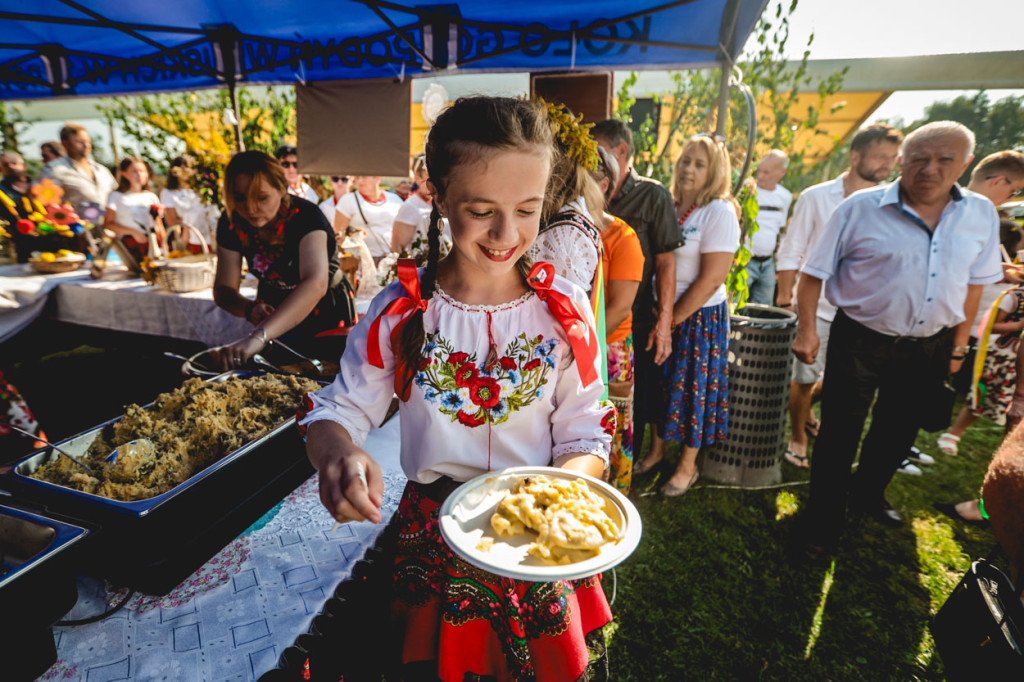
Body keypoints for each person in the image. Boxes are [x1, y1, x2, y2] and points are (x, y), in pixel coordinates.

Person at [300, 96, 614, 681]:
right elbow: (338, 409)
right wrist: (338, 452)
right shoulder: (402, 310)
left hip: (537, 537)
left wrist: (560, 502)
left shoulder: (563, 312)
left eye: (527, 209)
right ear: (438, 196)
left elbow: (585, 430)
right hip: (433, 547)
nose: (507, 233)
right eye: (481, 209)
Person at [791, 121, 1002, 559]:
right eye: (920, 158)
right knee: (838, 433)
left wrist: (959, 346)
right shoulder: (859, 208)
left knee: (898, 430)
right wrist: (808, 329)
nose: (931, 169)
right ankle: (822, 522)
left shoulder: (980, 213)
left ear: (964, 164)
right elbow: (813, 274)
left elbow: (975, 286)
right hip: (861, 338)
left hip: (932, 343)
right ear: (902, 161)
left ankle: (868, 494)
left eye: (945, 159)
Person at [775, 123, 903, 469]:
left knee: (846, 385)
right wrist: (786, 298)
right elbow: (792, 249)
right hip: (817, 306)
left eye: (892, 158)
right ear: (855, 155)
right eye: (880, 157)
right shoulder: (816, 197)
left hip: (866, 314)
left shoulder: (895, 203)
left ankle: (813, 420)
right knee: (803, 378)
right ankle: (797, 436)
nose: (886, 165)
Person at [633, 134, 740, 496]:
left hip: (697, 318)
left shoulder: (719, 211)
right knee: (660, 386)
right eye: (685, 160)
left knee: (693, 390)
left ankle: (687, 466)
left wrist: (672, 319)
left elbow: (712, 278)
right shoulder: (671, 203)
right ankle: (657, 451)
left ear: (714, 171)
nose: (688, 168)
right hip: (662, 312)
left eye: (699, 163)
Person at [213, 151, 355, 368]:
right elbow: (223, 289)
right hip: (273, 307)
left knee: (325, 375)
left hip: (325, 311)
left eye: (261, 198)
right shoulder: (232, 220)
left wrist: (258, 337)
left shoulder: (306, 216)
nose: (250, 208)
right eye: (240, 198)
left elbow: (315, 284)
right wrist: (249, 309)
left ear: (281, 188)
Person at [592, 118, 680, 460]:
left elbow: (666, 262)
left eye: (598, 147)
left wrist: (665, 323)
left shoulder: (652, 195)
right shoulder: (590, 196)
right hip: (602, 315)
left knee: (635, 396)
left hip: (636, 317)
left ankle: (638, 461)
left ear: (621, 150)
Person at [592, 144, 644, 492]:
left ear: (605, 185)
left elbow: (620, 307)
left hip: (607, 349)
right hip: (568, 345)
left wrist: (582, 348)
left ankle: (609, 502)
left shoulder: (622, 238)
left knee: (607, 427)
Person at [39, 123, 117, 223]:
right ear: (65, 143)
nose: (86, 145)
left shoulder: (102, 170)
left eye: (88, 141)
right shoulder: (55, 170)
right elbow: (41, 201)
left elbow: (117, 196)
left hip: (107, 231)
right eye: (79, 142)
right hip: (75, 233)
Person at [743, 149, 791, 306]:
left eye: (767, 172)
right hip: (745, 260)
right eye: (760, 171)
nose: (760, 176)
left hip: (767, 263)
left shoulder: (785, 197)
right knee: (735, 304)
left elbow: (780, 228)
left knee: (764, 307)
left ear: (781, 173)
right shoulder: (748, 191)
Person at [103, 156, 164, 266]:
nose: (140, 175)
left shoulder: (151, 196)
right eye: (135, 171)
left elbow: (158, 223)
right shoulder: (116, 196)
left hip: (153, 244)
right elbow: (108, 224)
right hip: (131, 246)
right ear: (124, 174)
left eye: (142, 171)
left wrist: (165, 245)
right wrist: (133, 232)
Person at [333, 175, 403, 261]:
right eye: (357, 178)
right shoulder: (348, 200)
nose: (360, 181)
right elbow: (338, 234)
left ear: (378, 178)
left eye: (364, 177)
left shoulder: (394, 199)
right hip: (360, 262)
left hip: (390, 260)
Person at [160, 155, 215, 250]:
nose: (187, 172)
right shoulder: (168, 192)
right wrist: (191, 220)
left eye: (190, 168)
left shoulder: (201, 190)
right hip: (184, 236)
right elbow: (171, 221)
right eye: (183, 169)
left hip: (207, 234)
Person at [390, 154, 434, 256]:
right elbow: (398, 249)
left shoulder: (446, 203)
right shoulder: (410, 207)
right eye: (429, 175)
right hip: (423, 269)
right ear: (418, 178)